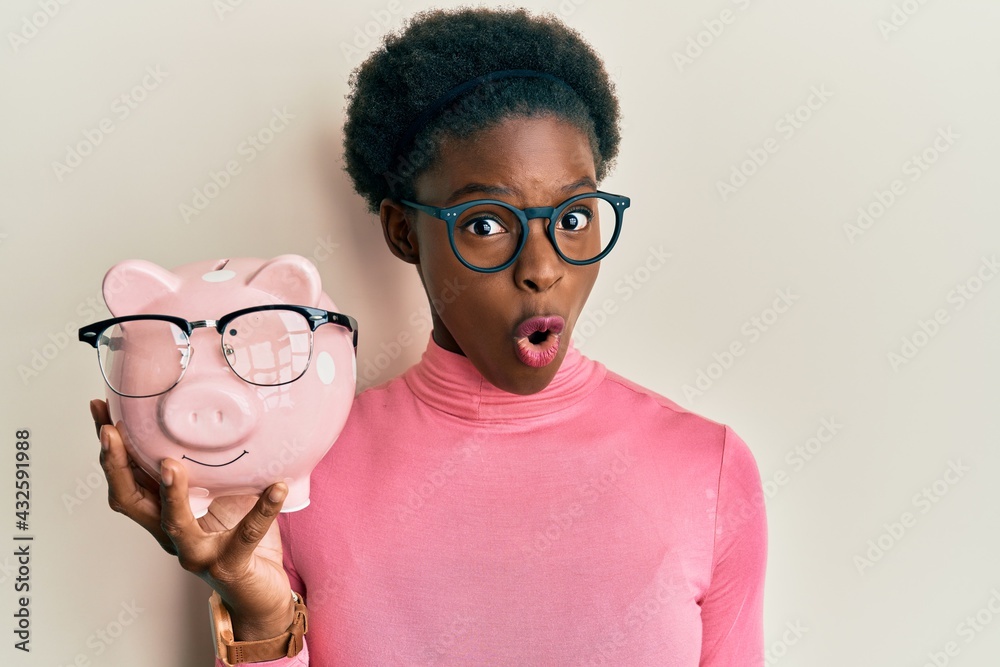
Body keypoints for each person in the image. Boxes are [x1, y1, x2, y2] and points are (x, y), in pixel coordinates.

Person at [91, 7, 767, 665]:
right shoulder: (298, 470)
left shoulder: (708, 469)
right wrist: (260, 618)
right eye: (484, 223)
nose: (542, 269)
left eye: (574, 216)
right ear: (403, 231)